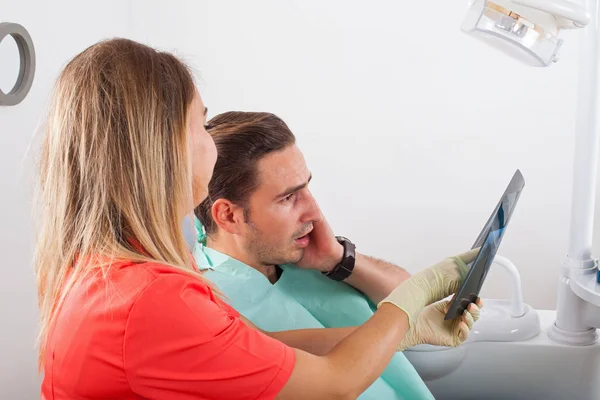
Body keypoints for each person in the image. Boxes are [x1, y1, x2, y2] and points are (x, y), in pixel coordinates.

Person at [35, 38, 481, 400]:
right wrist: (412, 298)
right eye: (201, 125)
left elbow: (267, 351)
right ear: (165, 151)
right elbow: (335, 384)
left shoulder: (121, 271)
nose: (210, 142)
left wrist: (406, 329)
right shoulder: (153, 301)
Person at [191, 111, 473, 399]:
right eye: (288, 198)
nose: (314, 211)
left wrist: (339, 258)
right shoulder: (205, 306)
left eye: (307, 187)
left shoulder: (300, 255)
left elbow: (409, 301)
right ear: (229, 216)